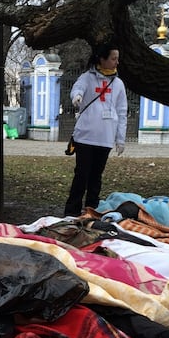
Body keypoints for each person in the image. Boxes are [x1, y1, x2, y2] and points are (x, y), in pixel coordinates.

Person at [64, 43, 128, 217]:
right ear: (102, 59)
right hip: (86, 136)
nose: (116, 62)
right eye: (113, 58)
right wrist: (76, 96)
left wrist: (120, 138)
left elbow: (122, 112)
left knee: (96, 177)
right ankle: (72, 211)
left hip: (105, 137)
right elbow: (78, 88)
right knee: (81, 175)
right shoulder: (88, 77)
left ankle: (91, 210)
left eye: (117, 58)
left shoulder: (118, 84)